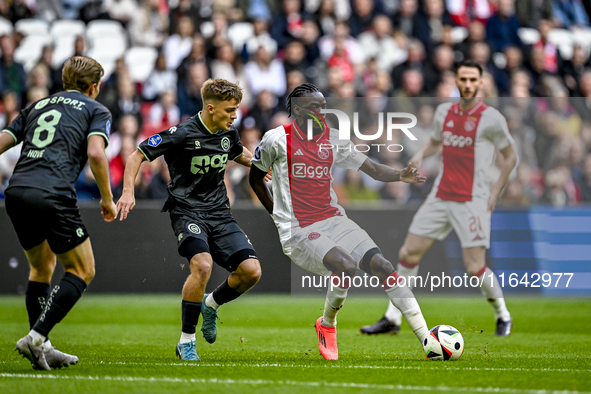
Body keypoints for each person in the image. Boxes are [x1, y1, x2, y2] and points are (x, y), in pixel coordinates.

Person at [248, 83, 430, 361]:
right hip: (300, 228)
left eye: (322, 106)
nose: (320, 112)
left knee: (383, 266)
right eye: (313, 107)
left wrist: (400, 175)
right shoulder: (277, 139)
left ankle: (427, 341)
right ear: (296, 110)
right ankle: (328, 323)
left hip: (334, 219)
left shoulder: (333, 139)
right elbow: (255, 177)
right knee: (346, 266)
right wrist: (276, 214)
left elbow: (372, 169)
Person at [360, 60, 517, 337]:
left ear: (480, 83)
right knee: (408, 253)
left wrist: (495, 193)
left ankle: (503, 315)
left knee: (474, 267)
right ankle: (392, 318)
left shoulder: (492, 119)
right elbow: (435, 141)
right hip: (440, 196)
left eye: (473, 80)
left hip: (473, 200)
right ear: (456, 82)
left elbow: (510, 157)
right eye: (463, 79)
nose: (467, 84)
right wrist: (420, 155)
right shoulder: (445, 112)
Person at [116, 79, 263, 361]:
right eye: (230, 110)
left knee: (251, 272)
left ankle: (211, 305)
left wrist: (261, 164)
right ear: (210, 108)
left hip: (220, 212)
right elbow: (137, 155)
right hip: (187, 211)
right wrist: (127, 192)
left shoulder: (227, 133)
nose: (235, 116)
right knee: (203, 265)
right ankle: (186, 341)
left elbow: (238, 153)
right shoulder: (181, 133)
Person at [1, 56, 116, 370]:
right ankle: (36, 336)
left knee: (41, 268)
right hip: (52, 193)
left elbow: (3, 141)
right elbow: (95, 152)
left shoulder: (36, 106)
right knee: (83, 269)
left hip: (17, 192)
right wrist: (107, 197)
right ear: (93, 87)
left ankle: (43, 347)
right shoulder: (96, 109)